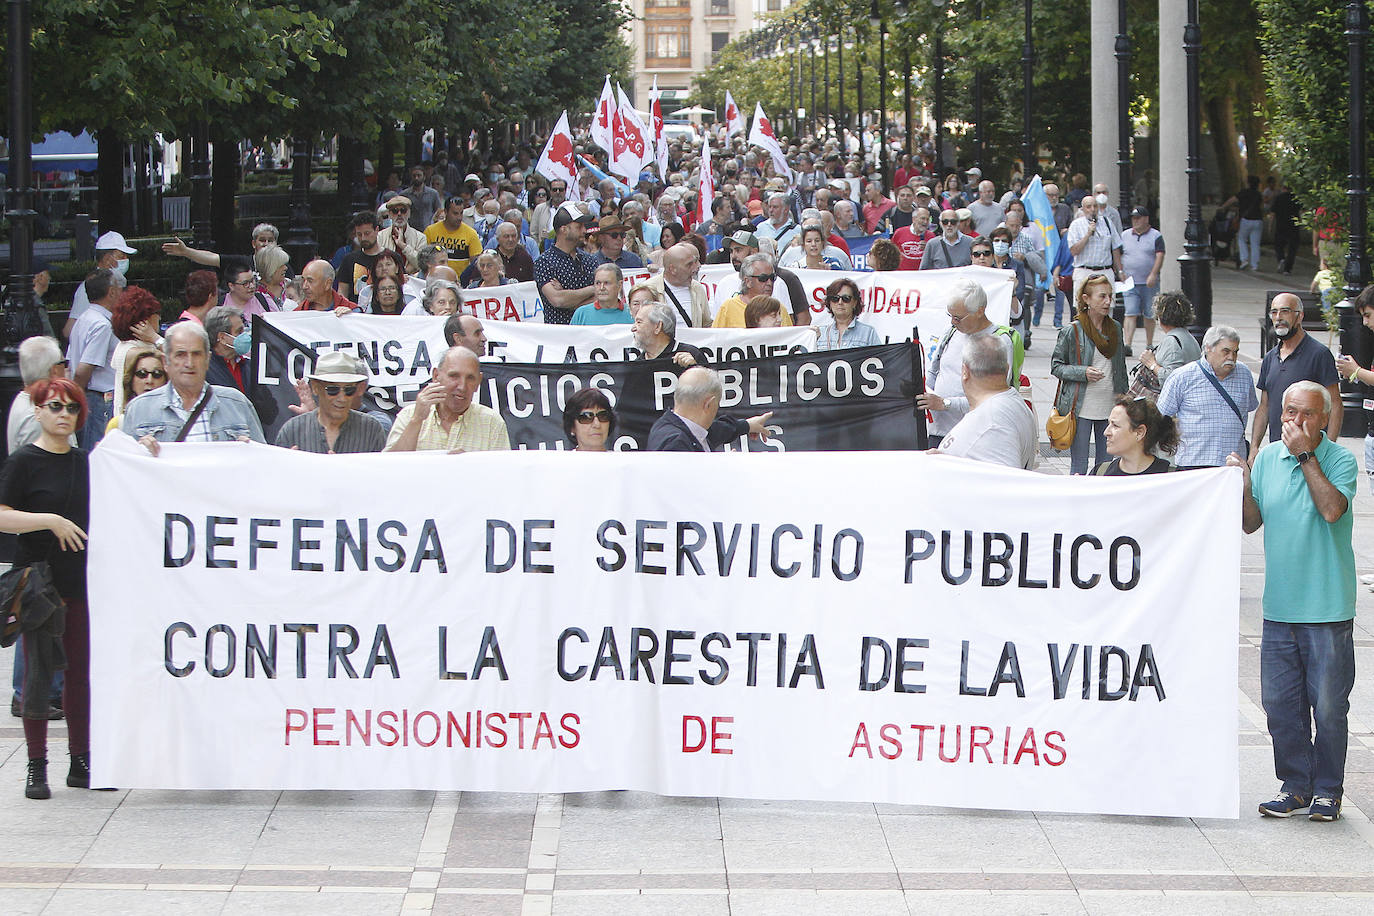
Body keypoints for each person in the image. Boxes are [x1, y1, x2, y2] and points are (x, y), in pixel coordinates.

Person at [1225, 382, 1356, 822]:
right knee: (1281, 706)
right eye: (1287, 412)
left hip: (1327, 608)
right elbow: (1250, 524)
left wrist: (1305, 457)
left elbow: (1332, 510)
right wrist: (1244, 484)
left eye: (1303, 413)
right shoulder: (1268, 459)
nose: (1292, 421)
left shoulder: (1340, 460)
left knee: (1330, 706)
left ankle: (1327, 790)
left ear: (1322, 419)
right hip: (1279, 607)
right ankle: (1295, 785)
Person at [0, 378, 92, 798]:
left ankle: (81, 759)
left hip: (80, 580)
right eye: (54, 406)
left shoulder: (86, 462)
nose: (63, 415)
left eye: (71, 408)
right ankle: (37, 764)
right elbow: (3, 516)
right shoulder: (23, 461)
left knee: (79, 675)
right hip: (37, 581)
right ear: (36, 410)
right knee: (39, 675)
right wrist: (48, 520)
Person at [122, 322, 267, 447]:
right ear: (166, 362)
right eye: (180, 354)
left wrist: (248, 452)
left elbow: (263, 463)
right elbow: (124, 471)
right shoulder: (139, 409)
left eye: (196, 354)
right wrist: (141, 454)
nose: (189, 363)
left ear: (207, 360)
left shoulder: (237, 404)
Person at [1249, 292, 1341, 463]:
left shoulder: (1319, 354)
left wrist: (1330, 448)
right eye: (1274, 312)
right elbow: (1264, 406)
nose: (1278, 318)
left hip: (1311, 452)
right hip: (1279, 453)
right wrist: (1254, 446)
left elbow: (1335, 403)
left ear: (1299, 316)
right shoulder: (1270, 357)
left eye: (1285, 311)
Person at [1050, 274, 1129, 474]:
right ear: (1086, 299)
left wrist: (1125, 400)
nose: (1108, 301)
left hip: (1109, 406)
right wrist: (1082, 372)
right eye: (1101, 296)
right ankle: (1076, 502)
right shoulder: (1073, 330)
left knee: (1107, 466)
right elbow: (1056, 366)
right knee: (1079, 465)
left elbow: (1120, 367)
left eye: (1110, 296)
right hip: (1081, 407)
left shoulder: (1115, 329)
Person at [1158, 325, 1258, 469]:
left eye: (1235, 352)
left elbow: (1250, 407)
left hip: (1232, 465)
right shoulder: (1182, 377)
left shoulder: (1244, 373)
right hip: (1193, 463)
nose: (1231, 357)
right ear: (1208, 348)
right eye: (1226, 351)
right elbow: (1161, 415)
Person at [934, 333, 1037, 470]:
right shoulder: (1010, 403)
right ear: (1007, 369)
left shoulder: (994, 422)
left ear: (965, 372)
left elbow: (1006, 482)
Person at [386, 347, 510, 452]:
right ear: (436, 376)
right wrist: (417, 420)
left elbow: (503, 474)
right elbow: (391, 468)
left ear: (478, 381)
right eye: (454, 376)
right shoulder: (409, 416)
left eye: (470, 378)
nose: (462, 386)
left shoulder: (491, 423)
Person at [274, 352, 386, 454]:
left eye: (349, 390)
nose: (342, 398)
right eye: (333, 389)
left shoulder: (371, 429)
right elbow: (276, 473)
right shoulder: (292, 430)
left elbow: (382, 473)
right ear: (316, 388)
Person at [646, 367, 772, 452]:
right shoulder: (676, 444)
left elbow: (717, 430)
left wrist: (748, 425)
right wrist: (722, 469)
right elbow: (690, 488)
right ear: (708, 405)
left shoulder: (676, 425)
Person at [64, 269, 120, 449]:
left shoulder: (84, 319)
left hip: (90, 398)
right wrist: (76, 401)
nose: (122, 293)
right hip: (98, 401)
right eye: (119, 288)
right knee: (98, 452)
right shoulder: (102, 325)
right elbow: (83, 369)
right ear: (111, 292)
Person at [534, 202, 598, 325]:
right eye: (579, 226)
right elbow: (557, 300)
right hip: (560, 334)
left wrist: (570, 301)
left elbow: (603, 296)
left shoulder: (590, 260)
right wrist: (592, 289)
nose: (585, 230)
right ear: (564, 229)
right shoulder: (544, 262)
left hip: (590, 331)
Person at [64, 231, 136, 339]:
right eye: (122, 256)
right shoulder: (89, 287)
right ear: (107, 259)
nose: (125, 260)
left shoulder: (115, 284)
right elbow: (70, 330)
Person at [8, 337, 73, 455]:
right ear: (54, 370)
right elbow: (42, 467)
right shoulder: (38, 417)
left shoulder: (25, 400)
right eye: (64, 363)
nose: (67, 368)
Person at [107, 285, 164, 417]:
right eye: (157, 314)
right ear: (145, 320)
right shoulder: (133, 351)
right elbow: (178, 359)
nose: (159, 319)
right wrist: (156, 338)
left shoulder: (124, 346)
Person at [1093, 396, 1178, 475]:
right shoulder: (1100, 473)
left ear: (1139, 432)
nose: (1106, 432)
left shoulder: (1172, 478)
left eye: (1115, 425)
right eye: (1109, 424)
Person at [1120, 206, 1165, 352]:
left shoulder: (1155, 236)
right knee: (1130, 312)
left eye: (1138, 218)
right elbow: (1118, 253)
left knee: (1149, 314)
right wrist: (1120, 271)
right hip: (1130, 281)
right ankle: (1127, 344)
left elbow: (1160, 255)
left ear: (1146, 219)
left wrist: (1153, 274)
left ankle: (1149, 343)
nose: (1136, 221)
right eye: (1134, 218)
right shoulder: (1125, 235)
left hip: (1148, 282)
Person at [1065, 194, 1124, 305]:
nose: (1092, 209)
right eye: (1088, 207)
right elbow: (1074, 251)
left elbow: (1115, 248)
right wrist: (1088, 234)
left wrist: (1120, 271)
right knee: (1084, 311)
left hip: (1105, 271)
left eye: (1095, 206)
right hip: (1084, 272)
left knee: (1107, 309)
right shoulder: (1076, 225)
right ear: (1083, 209)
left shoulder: (1107, 223)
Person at [1137, 292, 1201, 385]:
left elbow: (1171, 378)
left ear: (1160, 316)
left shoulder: (1172, 342)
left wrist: (1151, 363)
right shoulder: (1189, 337)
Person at [644, 243, 711, 329]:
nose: (695, 268)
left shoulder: (697, 288)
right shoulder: (648, 289)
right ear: (672, 269)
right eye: (689, 264)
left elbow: (706, 324)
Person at [107, 345, 168, 433]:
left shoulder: (177, 422)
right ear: (131, 380)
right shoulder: (119, 424)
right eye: (142, 373)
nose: (149, 380)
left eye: (157, 374)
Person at [634, 301, 707, 367]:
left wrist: (696, 368)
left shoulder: (692, 354)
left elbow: (711, 381)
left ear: (658, 327)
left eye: (639, 322)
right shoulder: (635, 365)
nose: (633, 328)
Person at [814, 278, 881, 350]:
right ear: (829, 302)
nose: (840, 302)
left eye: (846, 298)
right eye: (835, 298)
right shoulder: (819, 333)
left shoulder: (868, 333)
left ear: (855, 303)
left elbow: (879, 359)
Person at [425, 196, 484, 277]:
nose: (459, 217)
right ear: (445, 212)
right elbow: (424, 259)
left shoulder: (471, 233)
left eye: (461, 213)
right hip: (435, 278)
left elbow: (476, 262)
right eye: (455, 213)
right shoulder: (430, 231)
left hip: (459, 282)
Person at [336, 210, 385, 300]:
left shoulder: (390, 258)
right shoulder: (349, 259)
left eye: (367, 233)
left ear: (377, 230)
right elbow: (342, 291)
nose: (363, 238)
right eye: (359, 234)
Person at [1222, 175, 1265, 271]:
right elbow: (1262, 207)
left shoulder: (1243, 193)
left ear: (1248, 183)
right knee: (1255, 243)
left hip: (1246, 219)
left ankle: (1244, 259)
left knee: (1241, 239)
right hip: (1258, 220)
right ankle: (1255, 265)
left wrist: (1222, 207)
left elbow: (1232, 200)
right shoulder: (1258, 194)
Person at [563, 387, 618, 452]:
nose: (597, 425)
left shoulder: (623, 461)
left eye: (603, 416)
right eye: (586, 417)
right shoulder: (562, 461)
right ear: (572, 427)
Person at [295, 260, 359, 314]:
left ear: (327, 284)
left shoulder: (352, 311)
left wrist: (350, 319)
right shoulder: (297, 315)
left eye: (310, 281)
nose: (304, 286)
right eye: (303, 280)